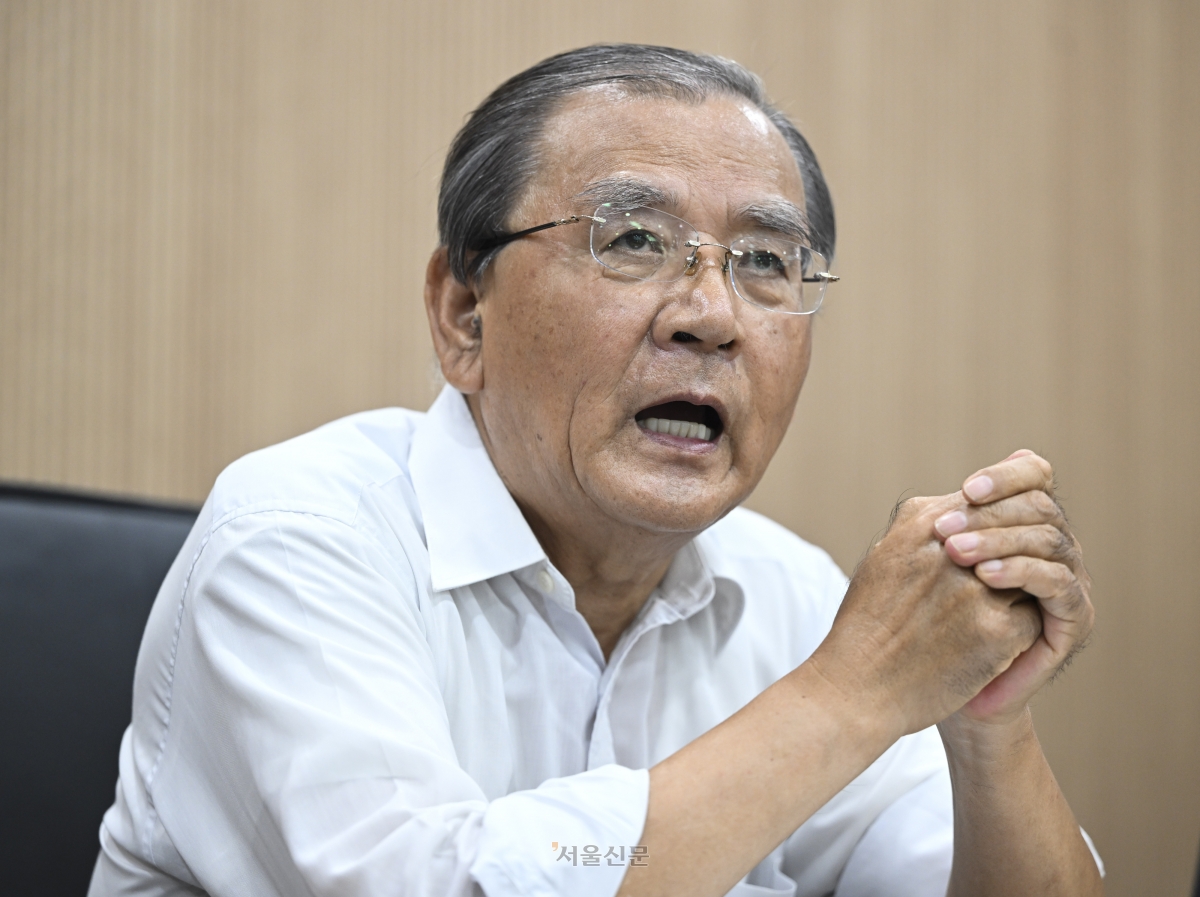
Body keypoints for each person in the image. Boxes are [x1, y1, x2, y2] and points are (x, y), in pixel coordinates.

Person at [90, 44, 1103, 897]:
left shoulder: (788, 594)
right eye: (634, 241)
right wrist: (850, 695)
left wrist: (987, 722)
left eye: (764, 262)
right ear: (464, 315)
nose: (712, 316)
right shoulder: (298, 539)